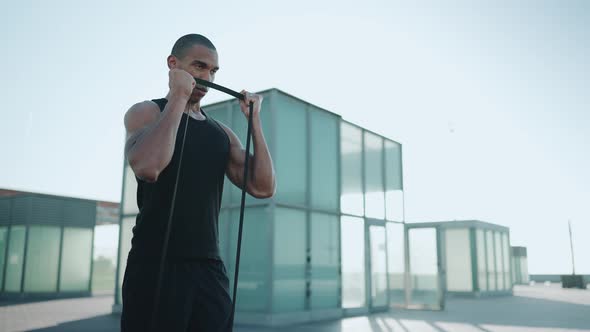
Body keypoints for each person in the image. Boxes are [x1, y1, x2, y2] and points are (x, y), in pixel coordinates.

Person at [120, 34, 276, 332]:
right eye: (199, 67)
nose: (206, 78)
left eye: (213, 71)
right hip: (155, 265)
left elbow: (263, 186)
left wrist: (254, 121)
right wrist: (178, 97)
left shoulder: (221, 134)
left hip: (209, 269)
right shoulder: (146, 113)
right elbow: (150, 166)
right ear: (173, 64)